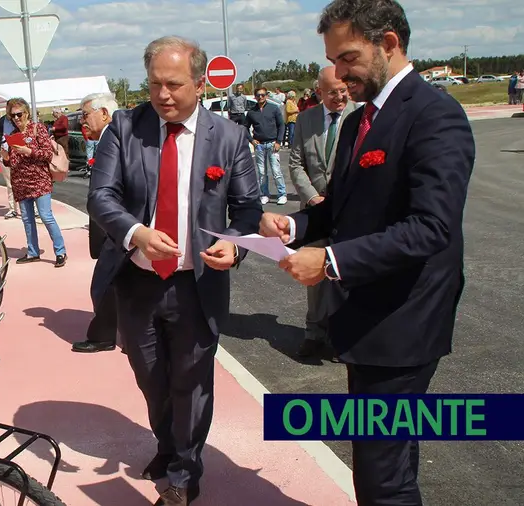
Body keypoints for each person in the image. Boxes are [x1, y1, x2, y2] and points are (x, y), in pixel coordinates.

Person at [259, 1, 475, 504]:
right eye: (334, 59)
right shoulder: (360, 123)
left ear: (390, 44)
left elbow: (431, 227)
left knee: (384, 478)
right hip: (364, 318)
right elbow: (339, 209)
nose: (339, 72)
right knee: (381, 463)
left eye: (349, 58)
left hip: (403, 323)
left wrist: (331, 261)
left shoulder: (434, 115)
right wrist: (294, 225)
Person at [88, 36, 261, 506]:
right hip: (137, 283)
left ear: (200, 84)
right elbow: (100, 196)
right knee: (151, 377)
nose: (163, 95)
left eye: (174, 85)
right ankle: (168, 446)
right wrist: (136, 233)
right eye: (154, 85)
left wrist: (233, 246)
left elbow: (247, 208)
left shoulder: (226, 137)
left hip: (195, 285)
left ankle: (185, 473)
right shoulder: (124, 128)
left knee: (192, 381)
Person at [287, 66, 358, 359]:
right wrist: (312, 197)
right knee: (315, 276)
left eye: (343, 91)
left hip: (348, 212)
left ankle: (345, 335)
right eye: (332, 93)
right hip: (315, 212)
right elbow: (295, 163)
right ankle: (314, 333)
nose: (340, 98)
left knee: (345, 274)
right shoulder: (306, 119)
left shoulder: (361, 115)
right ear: (319, 92)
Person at [73, 92, 120, 354]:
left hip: (115, 227)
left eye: (85, 114)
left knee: (102, 284)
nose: (82, 120)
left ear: (103, 113)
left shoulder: (112, 141)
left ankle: (103, 336)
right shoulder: (111, 138)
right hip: (118, 225)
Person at [3, 97, 67, 268]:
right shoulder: (13, 136)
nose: (16, 118)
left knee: (46, 216)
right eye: (12, 116)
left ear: (27, 113)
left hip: (39, 180)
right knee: (27, 219)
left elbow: (47, 154)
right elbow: (14, 161)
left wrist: (28, 151)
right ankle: (33, 252)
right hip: (21, 183)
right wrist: (6, 158)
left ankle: (60, 251)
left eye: (19, 114)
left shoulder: (38, 129)